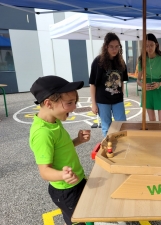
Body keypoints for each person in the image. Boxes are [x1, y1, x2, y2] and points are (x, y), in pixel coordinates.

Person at [29, 75, 91, 225]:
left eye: (74, 102)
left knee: (85, 213)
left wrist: (78, 141)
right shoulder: (42, 133)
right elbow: (44, 171)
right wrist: (62, 175)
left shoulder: (53, 121)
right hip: (66, 190)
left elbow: (60, 148)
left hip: (75, 181)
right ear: (49, 103)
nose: (74, 107)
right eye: (69, 103)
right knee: (79, 220)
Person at [89, 32, 128, 137]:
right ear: (106, 46)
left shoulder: (121, 62)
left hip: (117, 100)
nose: (114, 49)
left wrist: (121, 95)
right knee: (107, 127)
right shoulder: (98, 62)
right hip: (102, 101)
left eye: (117, 47)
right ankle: (109, 148)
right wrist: (94, 104)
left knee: (122, 124)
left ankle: (122, 146)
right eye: (111, 47)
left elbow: (122, 81)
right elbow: (92, 84)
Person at [137, 33, 161, 121]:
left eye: (151, 45)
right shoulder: (142, 59)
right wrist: (143, 85)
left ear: (156, 45)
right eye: (146, 46)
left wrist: (159, 84)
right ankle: (154, 135)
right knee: (152, 119)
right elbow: (138, 80)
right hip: (147, 89)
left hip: (160, 88)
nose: (149, 48)